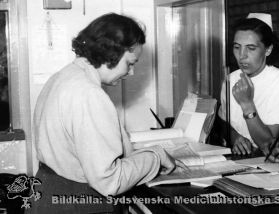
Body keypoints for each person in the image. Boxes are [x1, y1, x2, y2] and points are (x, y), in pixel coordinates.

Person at [30, 13, 182, 214]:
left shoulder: (63, 77)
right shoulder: (89, 94)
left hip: (49, 192)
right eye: (130, 63)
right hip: (78, 202)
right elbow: (108, 181)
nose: (129, 72)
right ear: (112, 53)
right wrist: (156, 157)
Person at [217, 13, 279, 162]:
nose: (242, 56)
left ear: (268, 50)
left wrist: (247, 103)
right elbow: (223, 123)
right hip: (237, 160)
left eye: (251, 48)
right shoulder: (231, 79)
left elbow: (268, 145)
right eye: (237, 47)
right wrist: (235, 137)